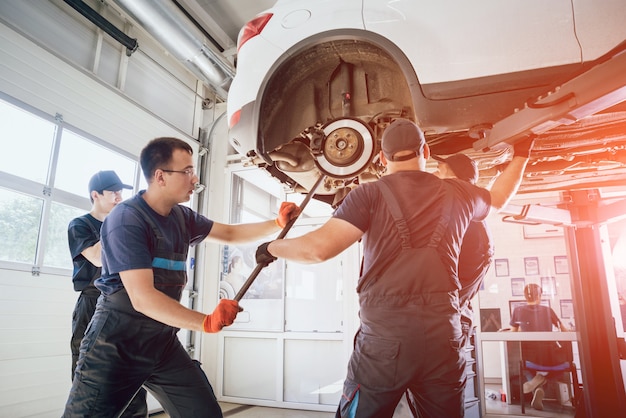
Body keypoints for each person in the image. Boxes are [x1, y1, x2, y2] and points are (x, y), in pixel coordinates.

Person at [255, 118, 533, 417]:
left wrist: (271, 248)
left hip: (384, 343)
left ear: (382, 158)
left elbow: (317, 249)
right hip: (443, 338)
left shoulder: (367, 195)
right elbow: (500, 198)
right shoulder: (460, 193)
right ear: (424, 151)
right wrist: (522, 153)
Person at [62, 137, 299, 418]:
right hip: (116, 344)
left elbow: (231, 234)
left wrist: (276, 223)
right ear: (160, 176)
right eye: (186, 171)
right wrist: (206, 322)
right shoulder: (127, 219)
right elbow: (143, 299)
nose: (194, 178)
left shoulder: (182, 217)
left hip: (161, 342)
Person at [67, 170, 148, 417]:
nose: (119, 197)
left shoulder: (124, 225)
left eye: (120, 192)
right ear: (95, 195)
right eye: (113, 192)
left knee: (130, 368)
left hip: (124, 304)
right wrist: (116, 226)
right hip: (92, 303)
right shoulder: (80, 225)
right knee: (88, 372)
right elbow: (96, 257)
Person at [432, 154, 495, 334]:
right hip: (450, 317)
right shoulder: (470, 218)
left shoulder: (465, 222)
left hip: (444, 322)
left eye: (438, 171)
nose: (434, 176)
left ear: (454, 180)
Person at [510, 283, 569, 410]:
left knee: (525, 367)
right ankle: (542, 380)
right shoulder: (548, 310)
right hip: (551, 358)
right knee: (563, 368)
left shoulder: (518, 310)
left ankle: (536, 384)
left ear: (525, 296)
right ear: (540, 295)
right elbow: (564, 331)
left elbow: (512, 334)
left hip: (531, 359)